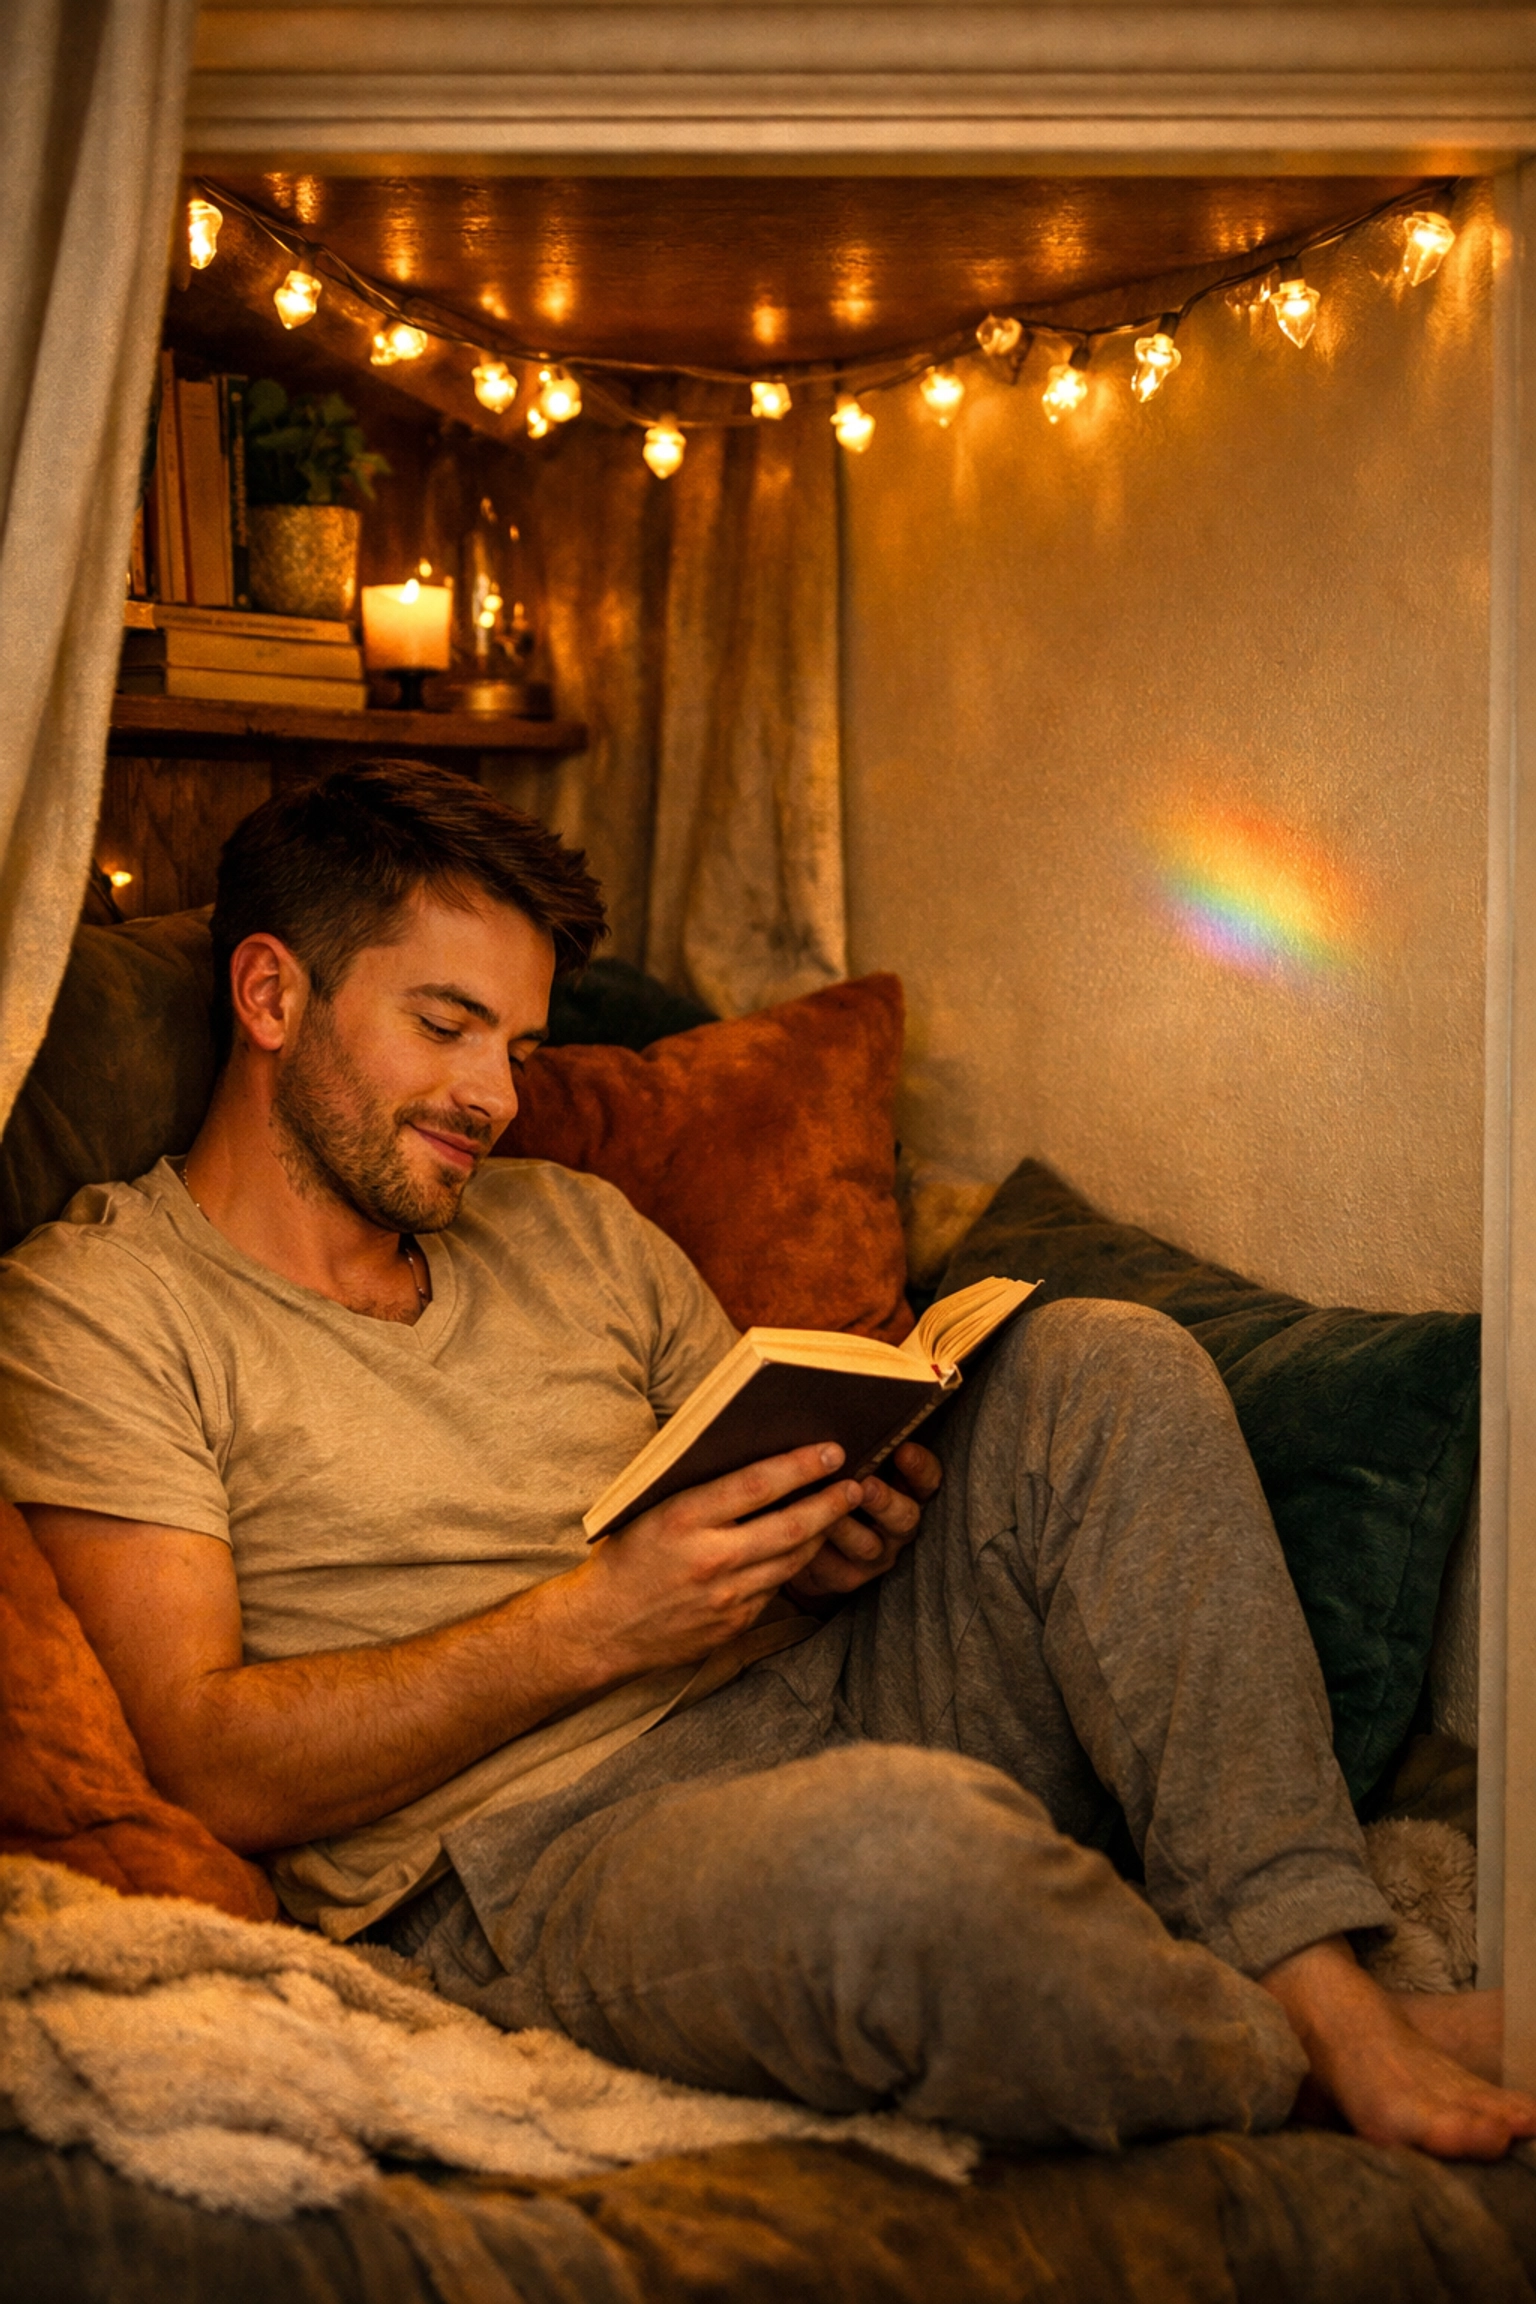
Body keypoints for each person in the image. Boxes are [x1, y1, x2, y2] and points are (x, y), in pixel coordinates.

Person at [0, 759, 1529, 2163]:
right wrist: (602, 1618)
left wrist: (829, 1531)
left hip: (820, 1691)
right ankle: (1297, 2053)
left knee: (1100, 1361)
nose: (498, 1098)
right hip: (533, 1861)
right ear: (271, 995)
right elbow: (202, 1758)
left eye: (521, 1046)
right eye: (446, 1025)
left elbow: (736, 1494)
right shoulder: (104, 1306)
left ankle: (1324, 1982)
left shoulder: (572, 1228)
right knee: (903, 1867)